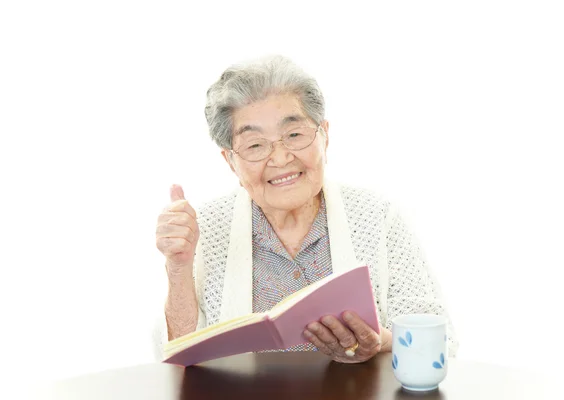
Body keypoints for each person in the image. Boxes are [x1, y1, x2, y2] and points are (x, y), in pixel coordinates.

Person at [154, 55, 458, 364]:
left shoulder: (377, 217)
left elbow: (439, 342)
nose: (281, 158)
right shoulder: (203, 228)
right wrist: (178, 268)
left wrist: (380, 343)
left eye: (294, 135)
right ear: (231, 161)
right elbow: (178, 361)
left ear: (324, 136)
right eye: (255, 145)